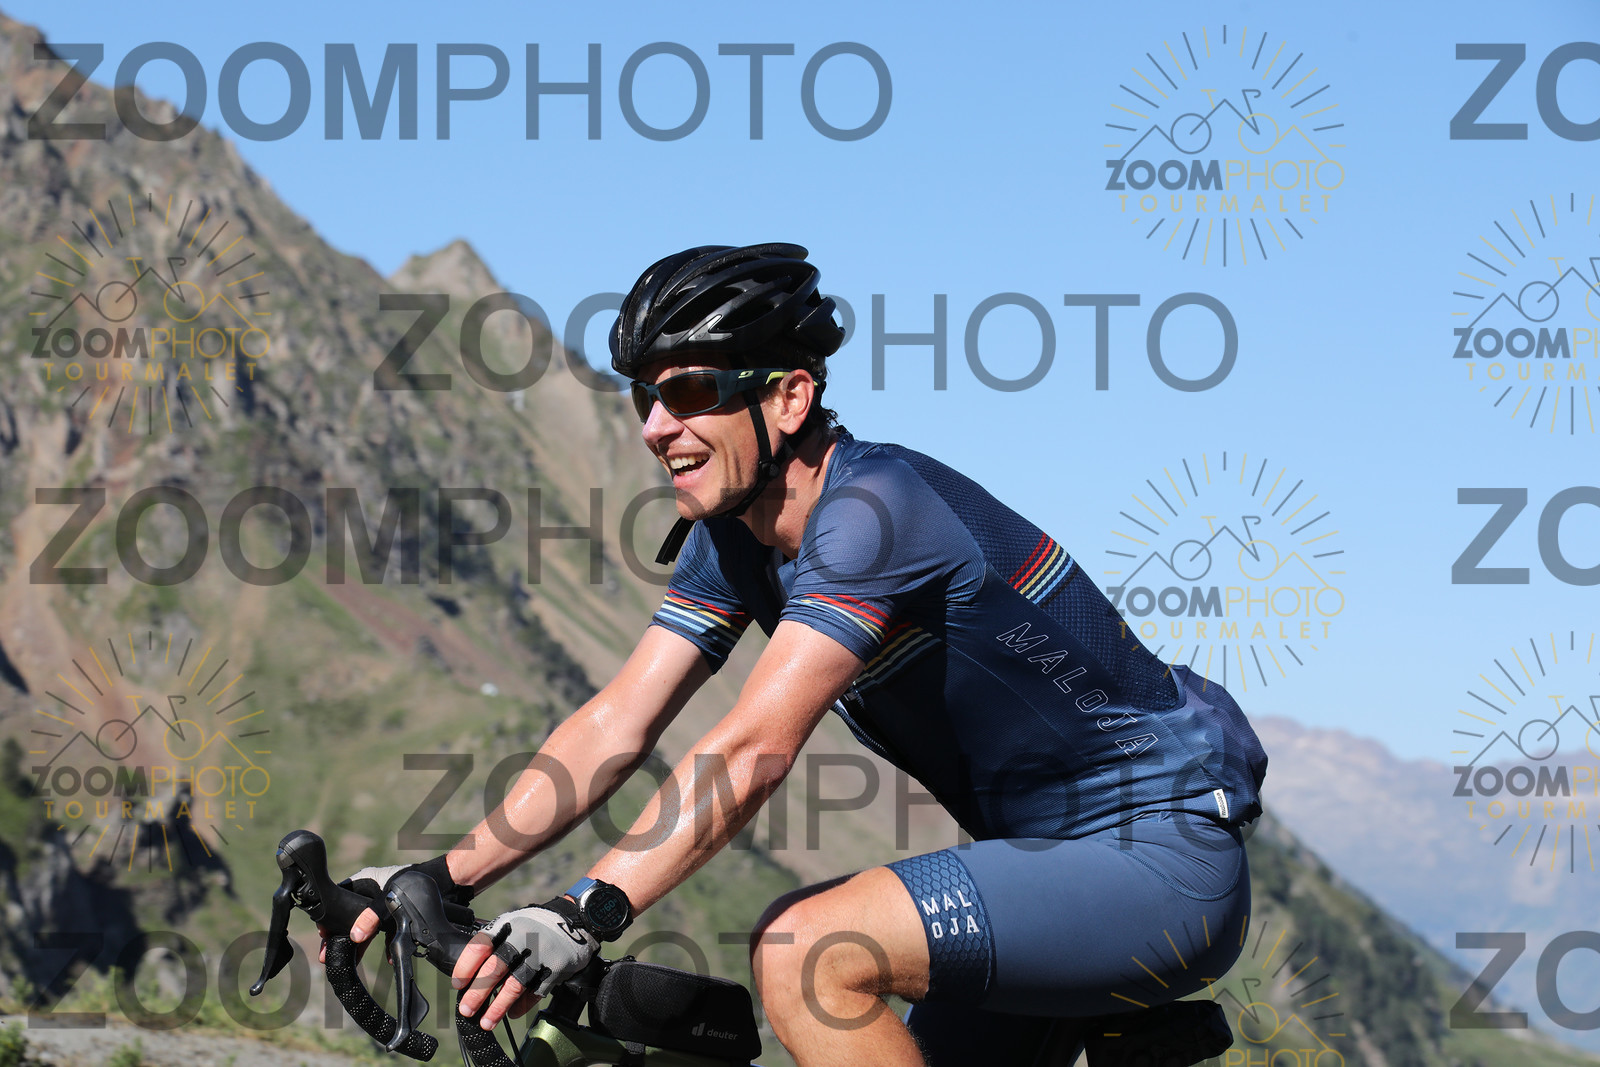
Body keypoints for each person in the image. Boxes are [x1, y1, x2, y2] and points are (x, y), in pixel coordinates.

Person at [335, 243, 1268, 1067]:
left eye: (689, 391)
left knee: (806, 951)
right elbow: (617, 721)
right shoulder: (734, 539)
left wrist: (587, 910)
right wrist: (443, 877)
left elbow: (753, 750)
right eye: (645, 398)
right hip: (1038, 869)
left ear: (788, 396)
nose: (655, 426)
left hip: (1157, 862)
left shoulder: (875, 512)